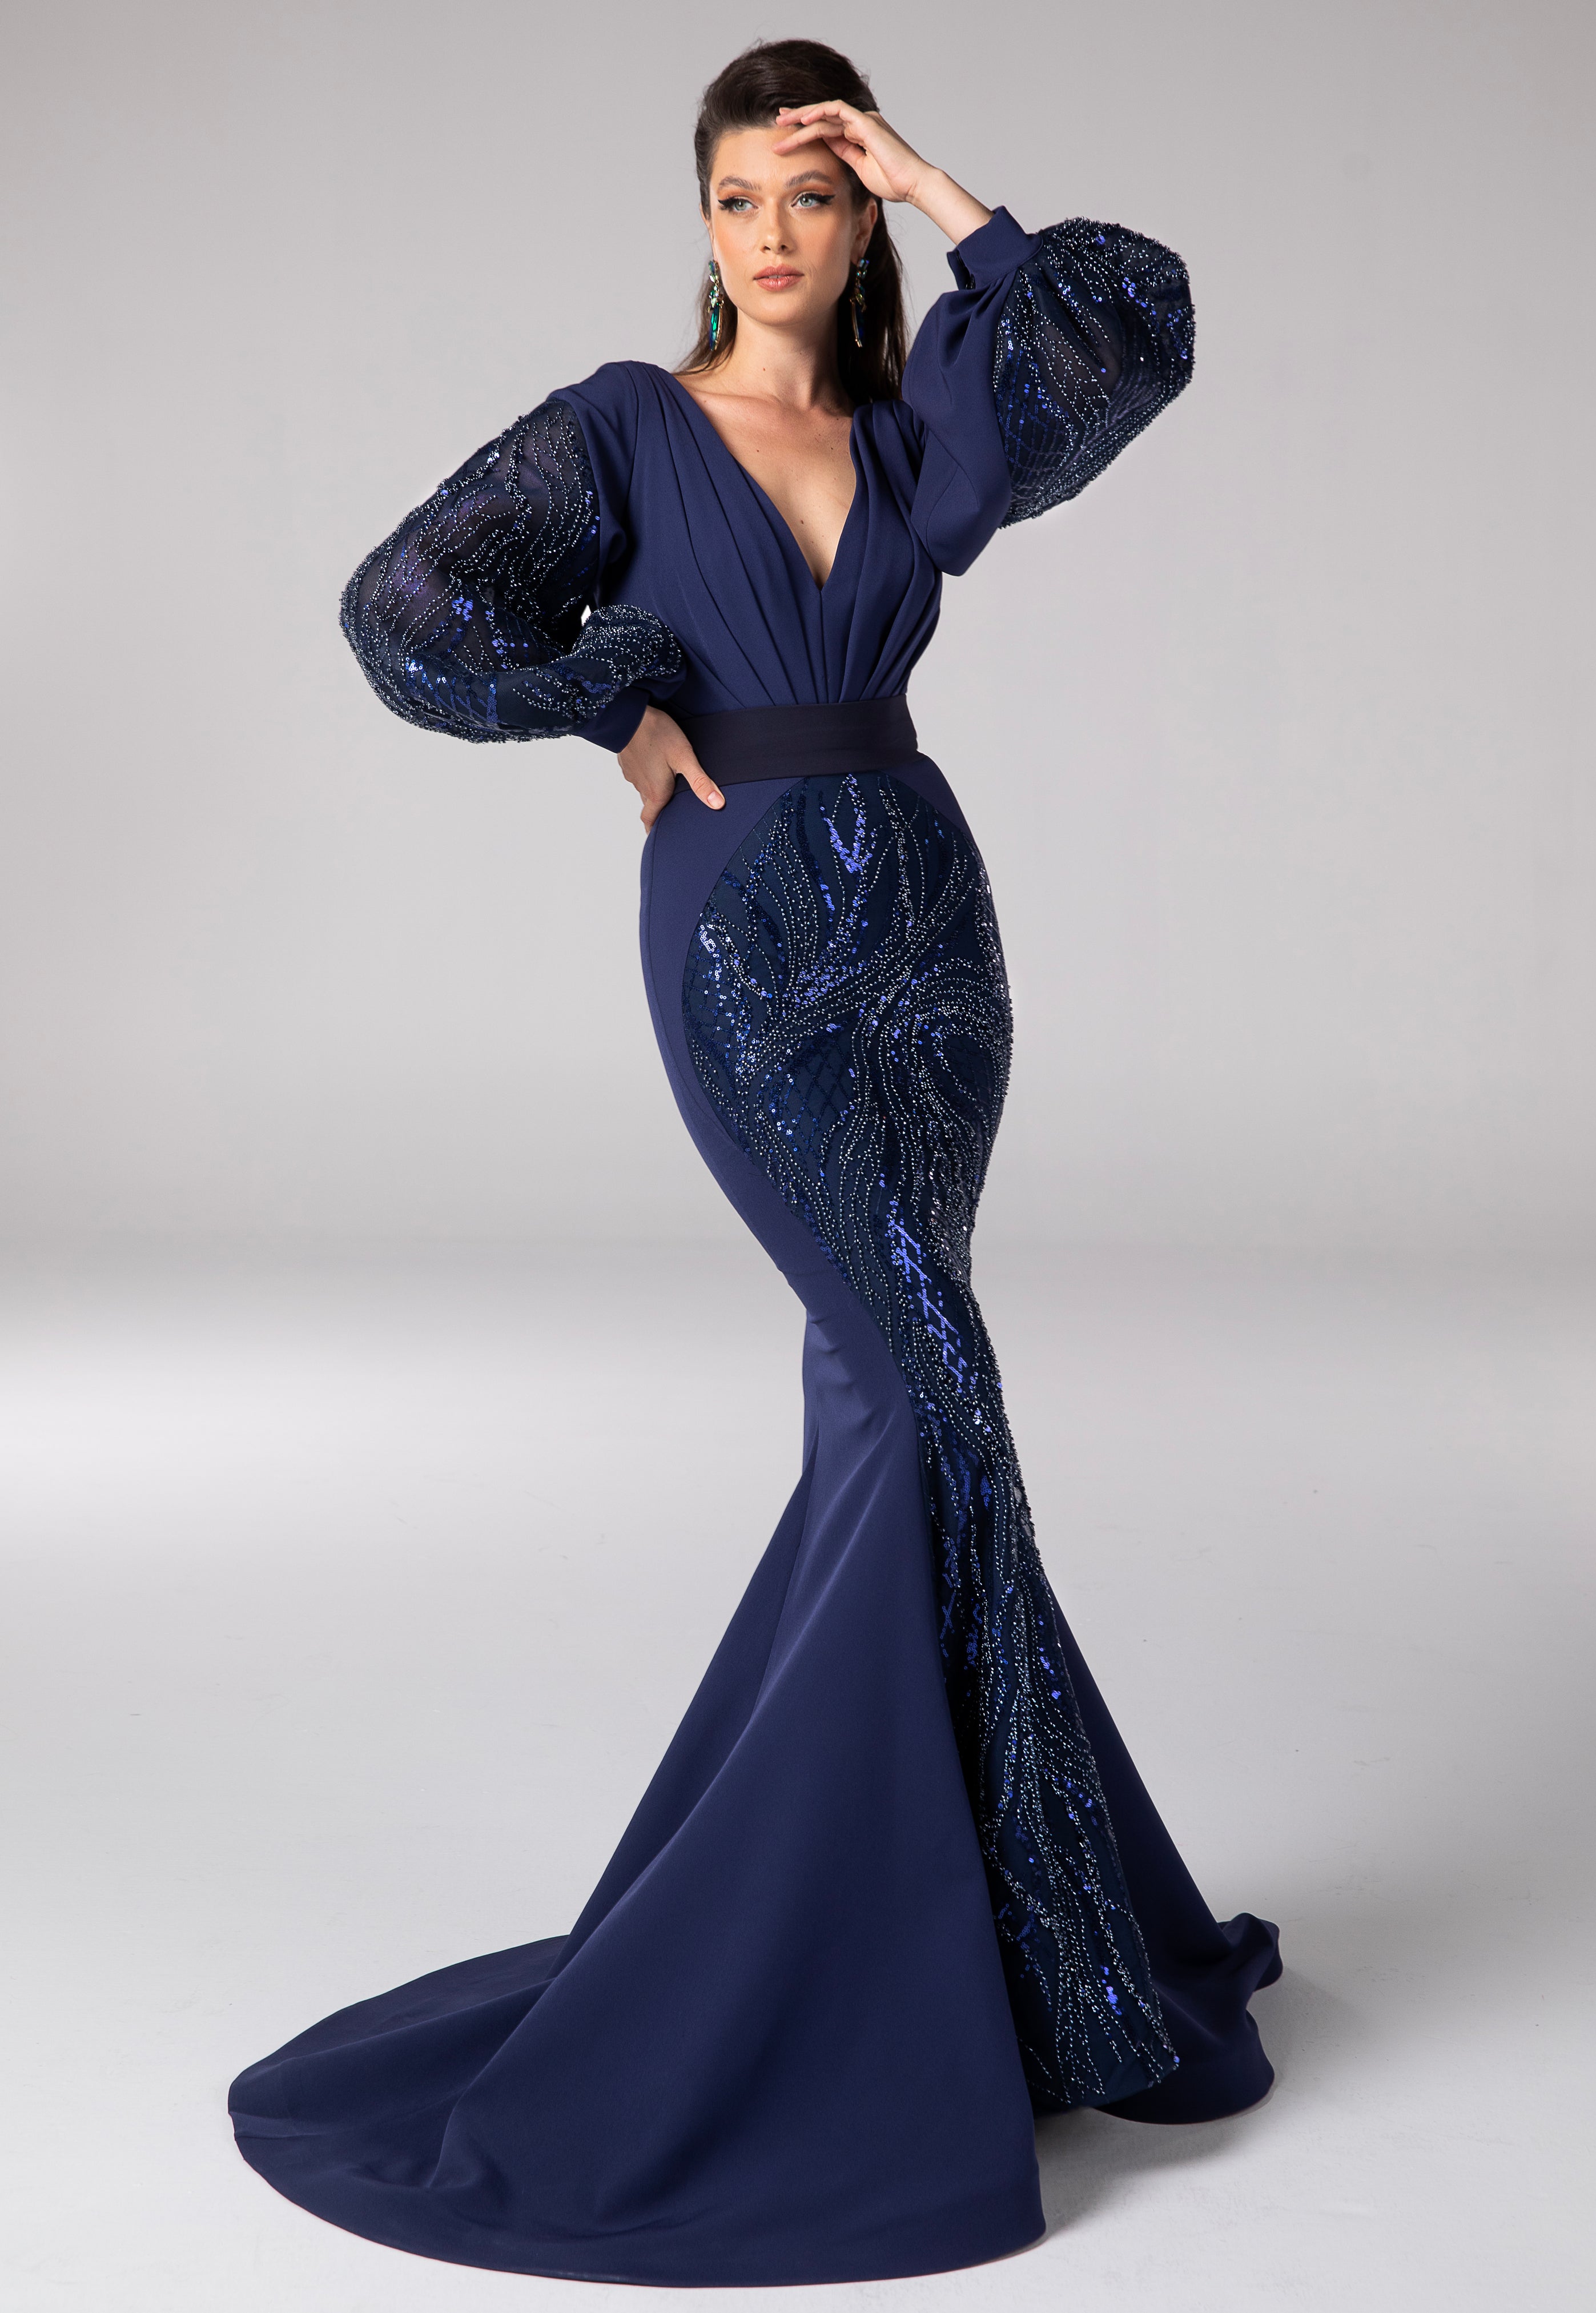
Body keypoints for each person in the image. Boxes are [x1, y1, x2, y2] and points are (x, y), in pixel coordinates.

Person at [228, 37, 1280, 2288]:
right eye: (737, 198)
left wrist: (942, 180)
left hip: (930, 929)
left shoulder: (914, 432)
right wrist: (609, 690)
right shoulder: (625, 423)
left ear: (853, 216)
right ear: (698, 226)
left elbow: (1136, 329)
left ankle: (953, 1943)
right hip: (746, 932)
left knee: (890, 1411)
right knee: (920, 1383)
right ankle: (929, 1955)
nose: (772, 233)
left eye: (809, 194)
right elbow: (404, 605)